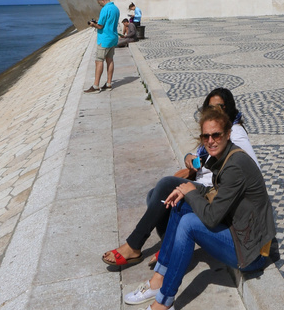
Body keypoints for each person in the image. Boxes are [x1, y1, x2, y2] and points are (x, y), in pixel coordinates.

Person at [122, 104, 275, 310]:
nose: (211, 140)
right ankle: (158, 280)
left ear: (227, 135)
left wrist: (190, 191)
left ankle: (163, 305)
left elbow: (212, 217)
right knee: (180, 202)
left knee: (189, 223)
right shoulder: (223, 157)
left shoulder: (235, 165)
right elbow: (215, 194)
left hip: (252, 252)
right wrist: (187, 189)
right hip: (238, 231)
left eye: (216, 135)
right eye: (206, 136)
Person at [102, 88, 259, 269]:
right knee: (154, 195)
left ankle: (134, 246)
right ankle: (173, 244)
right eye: (209, 107)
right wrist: (190, 159)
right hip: (202, 183)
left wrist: (225, 184)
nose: (214, 111)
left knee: (166, 185)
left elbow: (249, 166)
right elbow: (201, 155)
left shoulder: (235, 131)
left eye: (220, 107)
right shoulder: (213, 128)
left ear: (229, 108)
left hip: (213, 191)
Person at [85, 0, 120, 93]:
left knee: (99, 60)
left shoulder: (105, 9)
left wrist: (93, 24)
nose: (99, 4)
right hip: (113, 37)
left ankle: (96, 86)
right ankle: (109, 84)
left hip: (104, 39)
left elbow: (100, 26)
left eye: (99, 2)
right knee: (110, 60)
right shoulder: (115, 8)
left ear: (103, 0)